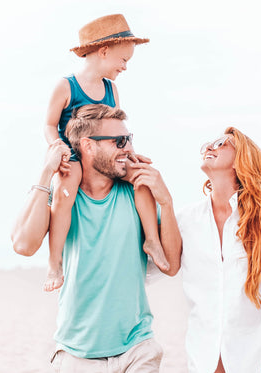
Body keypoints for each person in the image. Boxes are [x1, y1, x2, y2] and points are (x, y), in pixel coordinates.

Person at [12, 104, 181, 372]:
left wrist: (167, 201)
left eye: (129, 139)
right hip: (76, 355)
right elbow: (22, 245)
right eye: (119, 141)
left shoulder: (139, 195)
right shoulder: (63, 197)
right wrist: (46, 172)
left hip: (138, 348)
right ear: (88, 146)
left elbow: (171, 265)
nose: (128, 148)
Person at [44, 14, 169, 292]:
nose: (125, 67)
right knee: (64, 191)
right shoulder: (66, 86)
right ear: (103, 52)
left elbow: (118, 126)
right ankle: (54, 261)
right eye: (124, 60)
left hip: (105, 154)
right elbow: (49, 125)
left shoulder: (111, 89)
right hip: (75, 156)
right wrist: (59, 148)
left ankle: (151, 239)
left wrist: (130, 152)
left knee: (140, 176)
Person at [170, 127, 261, 373]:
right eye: (209, 143)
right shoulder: (186, 219)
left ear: (240, 160)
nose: (210, 147)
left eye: (221, 143)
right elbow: (162, 266)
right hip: (204, 359)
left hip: (258, 356)